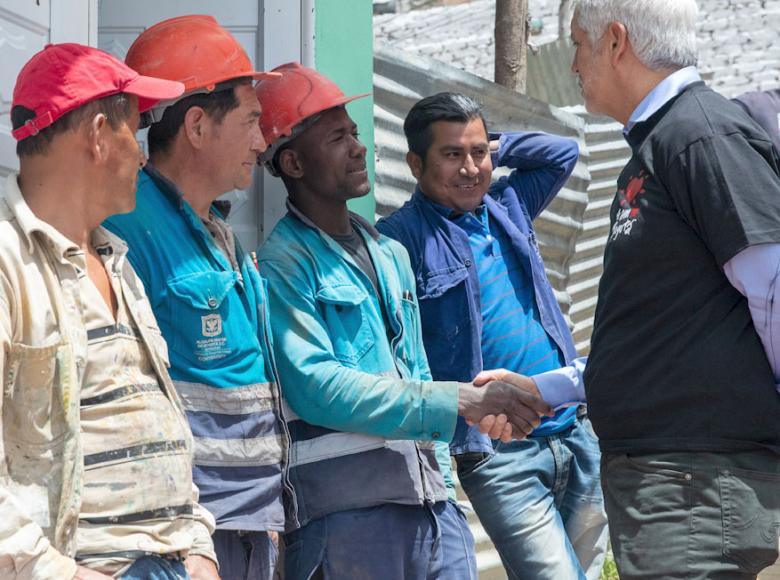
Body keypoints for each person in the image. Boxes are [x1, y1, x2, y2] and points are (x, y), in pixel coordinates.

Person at [254, 62, 553, 580]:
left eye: (355, 133)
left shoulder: (388, 252)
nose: (358, 147)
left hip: (431, 508)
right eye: (336, 138)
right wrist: (458, 399)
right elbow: (315, 387)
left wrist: (444, 492)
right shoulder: (283, 262)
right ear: (294, 165)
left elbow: (414, 368)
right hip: (347, 520)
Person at [570, 1, 780, 578]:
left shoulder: (699, 134)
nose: (573, 66)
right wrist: (553, 387)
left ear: (616, 43)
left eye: (577, 45)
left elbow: (773, 288)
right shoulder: (663, 141)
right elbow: (663, 328)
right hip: (674, 482)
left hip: (695, 486)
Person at [0, 43, 221, 579]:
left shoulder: (117, 262)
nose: (145, 157)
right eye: (135, 132)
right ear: (99, 135)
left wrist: (198, 548)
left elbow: (159, 421)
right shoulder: (7, 265)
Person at [376, 92, 608, 580]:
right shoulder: (398, 239)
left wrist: (491, 151)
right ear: (415, 164)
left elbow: (561, 152)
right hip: (500, 454)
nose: (469, 168)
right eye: (451, 154)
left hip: (576, 428)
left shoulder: (507, 204)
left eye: (478, 152)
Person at [103, 15, 291, 580]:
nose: (263, 142)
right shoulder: (127, 226)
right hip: (188, 537)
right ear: (197, 126)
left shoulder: (219, 234)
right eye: (252, 120)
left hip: (247, 524)